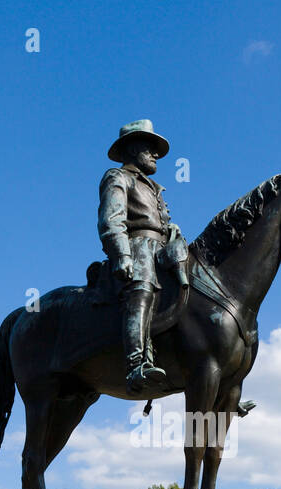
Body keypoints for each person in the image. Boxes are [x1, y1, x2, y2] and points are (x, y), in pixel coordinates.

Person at [97, 119, 188, 393]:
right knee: (142, 288)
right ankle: (136, 364)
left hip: (161, 248)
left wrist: (168, 229)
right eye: (149, 147)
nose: (155, 154)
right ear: (132, 149)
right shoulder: (118, 177)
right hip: (137, 248)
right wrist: (122, 254)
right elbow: (111, 220)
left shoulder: (153, 187)